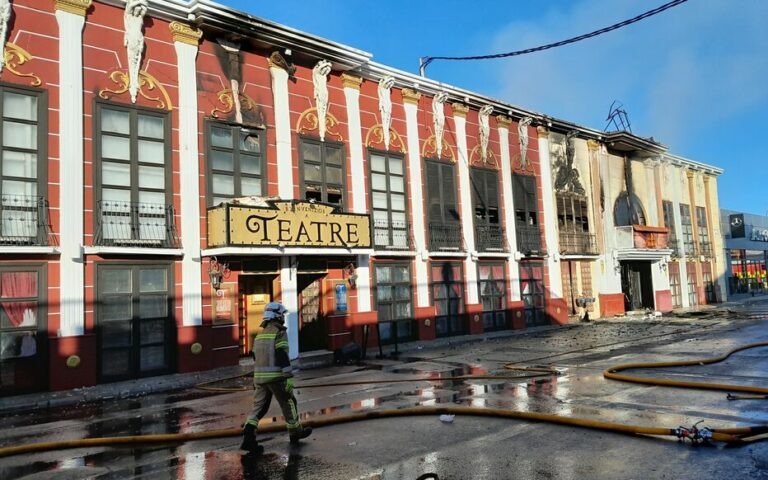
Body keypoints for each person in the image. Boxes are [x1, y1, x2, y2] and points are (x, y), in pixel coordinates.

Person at [241, 301, 312, 454]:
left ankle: (248, 437)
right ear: (277, 316)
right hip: (277, 378)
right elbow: (282, 355)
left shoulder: (260, 334)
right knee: (289, 402)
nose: (283, 318)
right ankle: (295, 432)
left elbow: (254, 356)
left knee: (258, 409)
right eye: (282, 315)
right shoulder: (279, 332)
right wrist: (288, 377)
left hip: (259, 379)